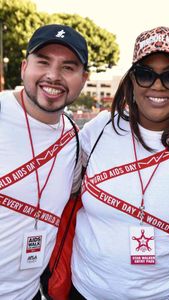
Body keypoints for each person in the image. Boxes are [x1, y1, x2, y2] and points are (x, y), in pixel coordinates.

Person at [71, 26, 169, 299]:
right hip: (88, 291)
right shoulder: (100, 130)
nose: (158, 85)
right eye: (145, 74)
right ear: (131, 81)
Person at [0, 24, 88, 299]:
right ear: (25, 66)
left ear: (83, 78)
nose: (53, 76)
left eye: (68, 67)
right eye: (43, 62)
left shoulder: (75, 140)